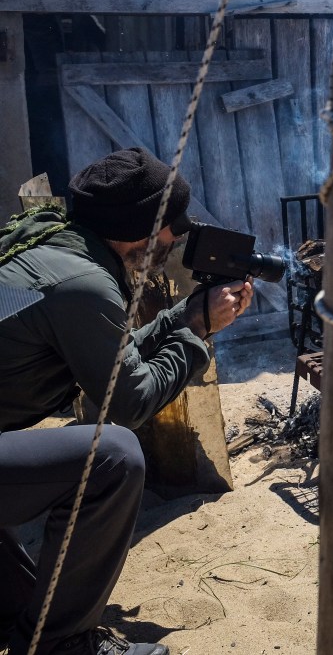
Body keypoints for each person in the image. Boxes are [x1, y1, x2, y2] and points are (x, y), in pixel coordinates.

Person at [0, 148, 253, 655]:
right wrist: (198, 330)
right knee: (112, 457)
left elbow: (111, 359)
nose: (173, 241)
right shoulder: (83, 285)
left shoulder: (49, 246)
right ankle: (64, 647)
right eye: (168, 229)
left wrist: (183, 315)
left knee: (22, 603)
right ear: (136, 227)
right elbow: (129, 402)